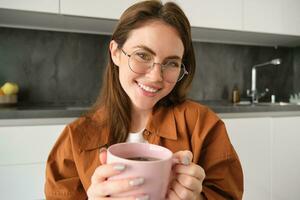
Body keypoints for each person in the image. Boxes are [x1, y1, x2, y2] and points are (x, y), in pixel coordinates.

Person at [45, 0, 243, 199]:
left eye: (171, 63)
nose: (156, 76)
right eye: (142, 55)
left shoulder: (204, 126)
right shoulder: (75, 138)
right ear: (115, 53)